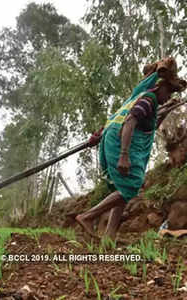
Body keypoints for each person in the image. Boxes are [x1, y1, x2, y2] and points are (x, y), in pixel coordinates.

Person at [77, 57, 187, 240]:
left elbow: (147, 127)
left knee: (123, 189)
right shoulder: (149, 99)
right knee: (132, 185)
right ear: (160, 86)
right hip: (119, 140)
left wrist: (166, 110)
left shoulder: (142, 99)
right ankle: (87, 217)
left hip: (110, 138)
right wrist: (124, 155)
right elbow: (130, 122)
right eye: (168, 92)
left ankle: (109, 236)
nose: (168, 97)